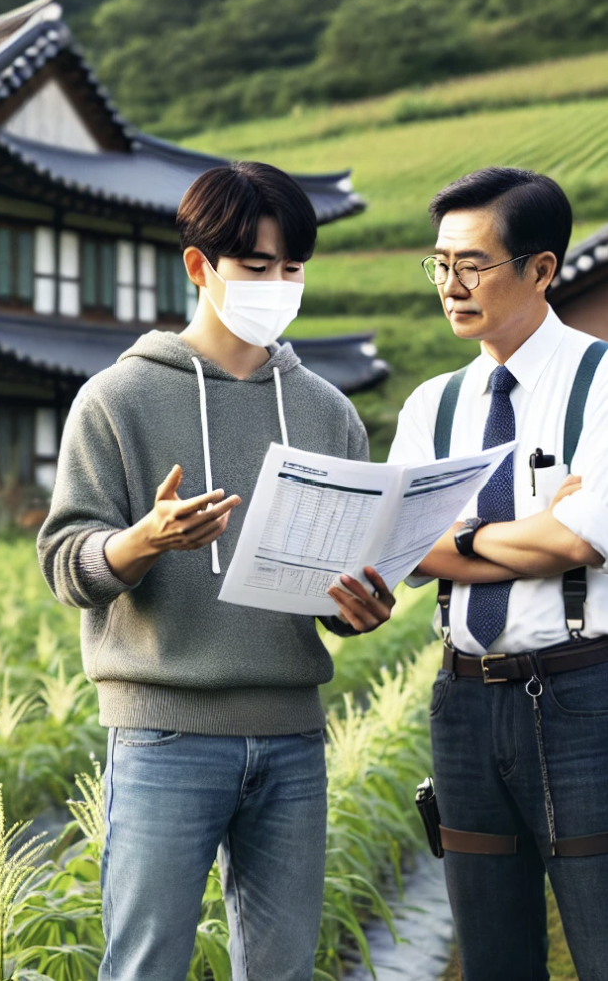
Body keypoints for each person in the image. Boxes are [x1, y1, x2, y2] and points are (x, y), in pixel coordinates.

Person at [37, 161, 396, 981]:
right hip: (164, 731)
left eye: (292, 268)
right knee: (147, 964)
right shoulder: (116, 400)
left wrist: (360, 605)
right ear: (200, 266)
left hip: (292, 735)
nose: (278, 284)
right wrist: (144, 540)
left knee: (282, 967)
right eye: (256, 266)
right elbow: (65, 562)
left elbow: (334, 583)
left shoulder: (326, 412)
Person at [389, 166, 608, 981]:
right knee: (492, 956)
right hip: (463, 701)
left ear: (542, 268)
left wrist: (463, 534)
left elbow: (582, 543)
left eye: (473, 263)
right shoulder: (431, 406)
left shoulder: (601, 381)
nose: (451, 284)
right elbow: (405, 546)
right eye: (440, 263)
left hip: (584, 692)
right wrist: (528, 532)